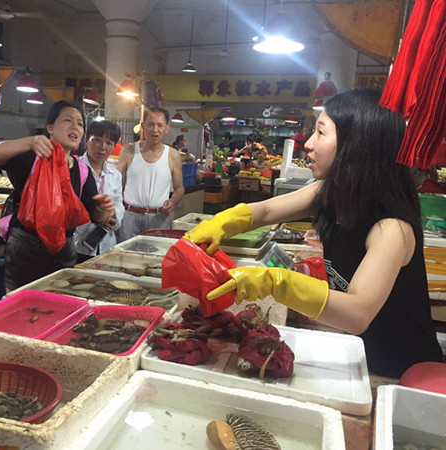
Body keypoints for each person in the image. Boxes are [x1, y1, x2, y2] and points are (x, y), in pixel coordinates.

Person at [185, 88, 442, 378]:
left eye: (321, 133)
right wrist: (223, 222)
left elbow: (358, 313)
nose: (308, 143)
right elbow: (267, 212)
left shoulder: (391, 228)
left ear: (356, 144)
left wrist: (276, 282)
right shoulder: (332, 191)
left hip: (400, 373)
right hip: (358, 356)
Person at [0, 100, 114, 291]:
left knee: (59, 307)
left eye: (80, 123)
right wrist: (30, 142)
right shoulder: (33, 159)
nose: (75, 127)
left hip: (63, 251)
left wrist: (104, 211)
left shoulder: (82, 171)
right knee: (20, 305)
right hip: (25, 250)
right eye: (67, 120)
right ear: (50, 127)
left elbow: (95, 216)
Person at [116, 107, 185, 242]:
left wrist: (172, 202)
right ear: (143, 126)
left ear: (167, 128)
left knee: (155, 259)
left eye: (160, 125)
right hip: (129, 216)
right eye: (150, 124)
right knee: (126, 257)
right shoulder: (128, 151)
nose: (155, 129)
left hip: (158, 218)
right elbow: (117, 182)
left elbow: (179, 188)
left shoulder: (173, 155)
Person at [73, 120, 124, 261]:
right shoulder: (74, 169)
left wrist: (112, 215)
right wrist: (96, 217)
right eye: (97, 140)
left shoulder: (115, 174)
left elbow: (119, 202)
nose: (102, 147)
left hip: (106, 243)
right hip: (77, 244)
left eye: (109, 143)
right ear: (86, 140)